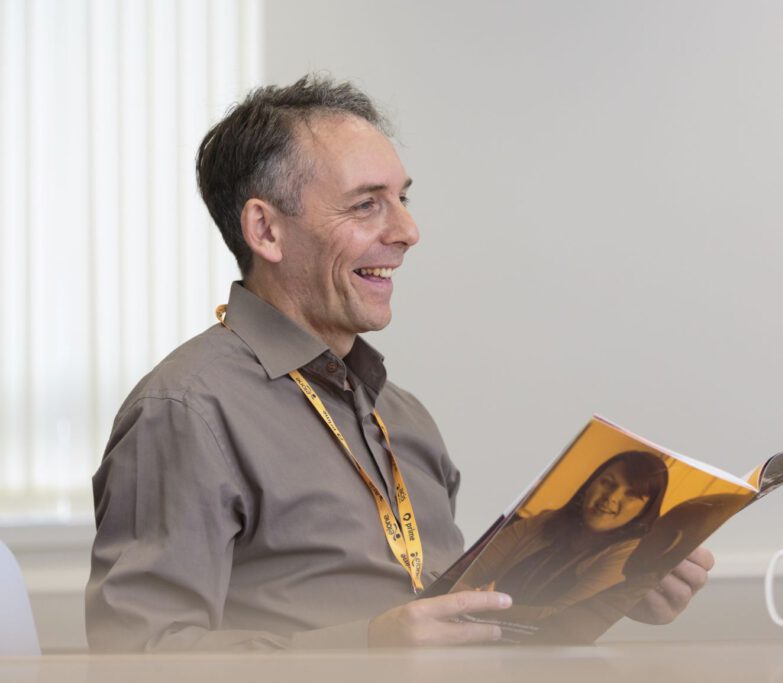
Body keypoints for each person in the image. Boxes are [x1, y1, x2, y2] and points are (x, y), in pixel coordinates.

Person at [85, 75, 714, 652]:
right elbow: (135, 656)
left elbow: (456, 633)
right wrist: (365, 650)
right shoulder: (185, 411)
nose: (409, 231)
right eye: (366, 205)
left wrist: (605, 590)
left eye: (403, 199)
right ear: (266, 231)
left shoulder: (405, 418)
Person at [453, 451, 669, 643]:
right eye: (607, 483)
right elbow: (465, 574)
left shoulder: (630, 554)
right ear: (590, 484)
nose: (611, 498)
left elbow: (560, 616)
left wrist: (480, 604)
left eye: (632, 494)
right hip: (474, 635)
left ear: (645, 510)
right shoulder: (543, 521)